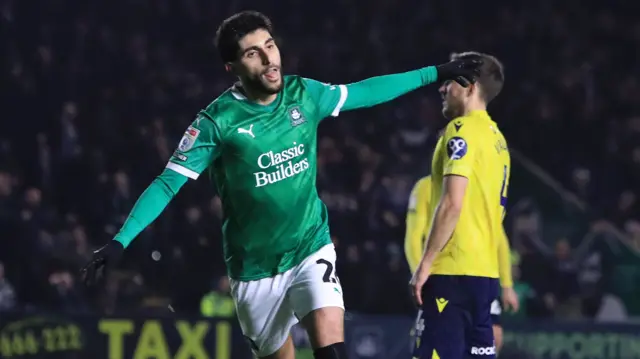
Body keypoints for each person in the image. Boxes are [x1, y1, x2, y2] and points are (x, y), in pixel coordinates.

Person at [81, 11, 482, 359]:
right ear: (233, 67)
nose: (269, 58)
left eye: (270, 45)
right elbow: (168, 184)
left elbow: (366, 91)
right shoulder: (217, 122)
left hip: (310, 246)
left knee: (331, 348)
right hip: (253, 270)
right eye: (253, 53)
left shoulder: (303, 94)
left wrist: (438, 72)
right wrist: (120, 241)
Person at [408, 51, 508, 359]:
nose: (442, 87)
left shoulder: (461, 130)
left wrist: (424, 265)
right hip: (485, 277)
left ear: (470, 86)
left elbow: (453, 203)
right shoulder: (498, 140)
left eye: (450, 80)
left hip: (453, 274)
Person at [404, 175, 520, 355]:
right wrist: (420, 274)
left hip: (480, 274)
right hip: (443, 273)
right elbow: (413, 238)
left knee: (494, 336)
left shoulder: (480, 188)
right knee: (438, 337)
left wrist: (507, 284)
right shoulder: (426, 187)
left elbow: (499, 239)